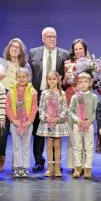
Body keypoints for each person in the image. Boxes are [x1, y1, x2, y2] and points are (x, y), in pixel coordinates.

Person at [29, 27, 70, 172]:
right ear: (43, 38)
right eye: (49, 36)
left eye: (54, 36)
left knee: (56, 132)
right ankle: (39, 161)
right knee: (38, 130)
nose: (52, 39)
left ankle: (56, 162)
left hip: (57, 96)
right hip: (39, 94)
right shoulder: (33, 53)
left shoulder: (65, 54)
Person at [0, 38, 32, 172]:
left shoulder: (26, 66)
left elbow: (30, 83)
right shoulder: (2, 65)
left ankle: (17, 162)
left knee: (19, 134)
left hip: (21, 104)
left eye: (17, 47)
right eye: (12, 46)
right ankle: (0, 159)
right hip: (5, 102)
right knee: (3, 132)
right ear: (8, 49)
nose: (14, 49)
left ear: (21, 50)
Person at [63, 38, 91, 171]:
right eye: (76, 49)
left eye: (81, 48)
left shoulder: (91, 63)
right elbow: (63, 83)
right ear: (73, 51)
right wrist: (68, 78)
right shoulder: (68, 63)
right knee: (73, 135)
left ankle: (86, 165)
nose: (79, 51)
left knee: (86, 134)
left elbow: (94, 83)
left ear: (85, 50)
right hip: (71, 99)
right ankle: (75, 165)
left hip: (86, 101)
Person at [36, 70, 70, 178]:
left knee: (57, 145)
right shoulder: (44, 93)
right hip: (48, 123)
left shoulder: (62, 93)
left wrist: (58, 118)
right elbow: (41, 108)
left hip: (58, 123)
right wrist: (46, 118)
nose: (52, 81)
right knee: (49, 145)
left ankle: (57, 167)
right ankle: (50, 168)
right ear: (47, 80)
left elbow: (65, 108)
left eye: (54, 79)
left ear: (58, 80)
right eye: (49, 79)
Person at [6, 68, 38, 178]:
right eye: (19, 77)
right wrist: (13, 119)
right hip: (15, 123)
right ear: (16, 78)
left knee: (25, 145)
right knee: (16, 145)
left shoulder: (32, 91)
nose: (21, 79)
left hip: (27, 123)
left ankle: (25, 167)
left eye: (23, 77)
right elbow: (8, 106)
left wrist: (29, 121)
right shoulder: (11, 91)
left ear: (28, 78)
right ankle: (17, 167)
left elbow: (34, 107)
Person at [68, 72, 98, 179]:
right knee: (77, 147)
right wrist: (77, 120)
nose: (83, 84)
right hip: (78, 125)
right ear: (77, 84)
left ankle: (88, 168)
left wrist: (89, 121)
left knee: (89, 147)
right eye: (80, 82)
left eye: (85, 82)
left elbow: (95, 111)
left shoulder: (94, 97)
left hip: (88, 125)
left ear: (90, 83)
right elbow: (70, 111)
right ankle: (77, 167)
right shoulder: (75, 97)